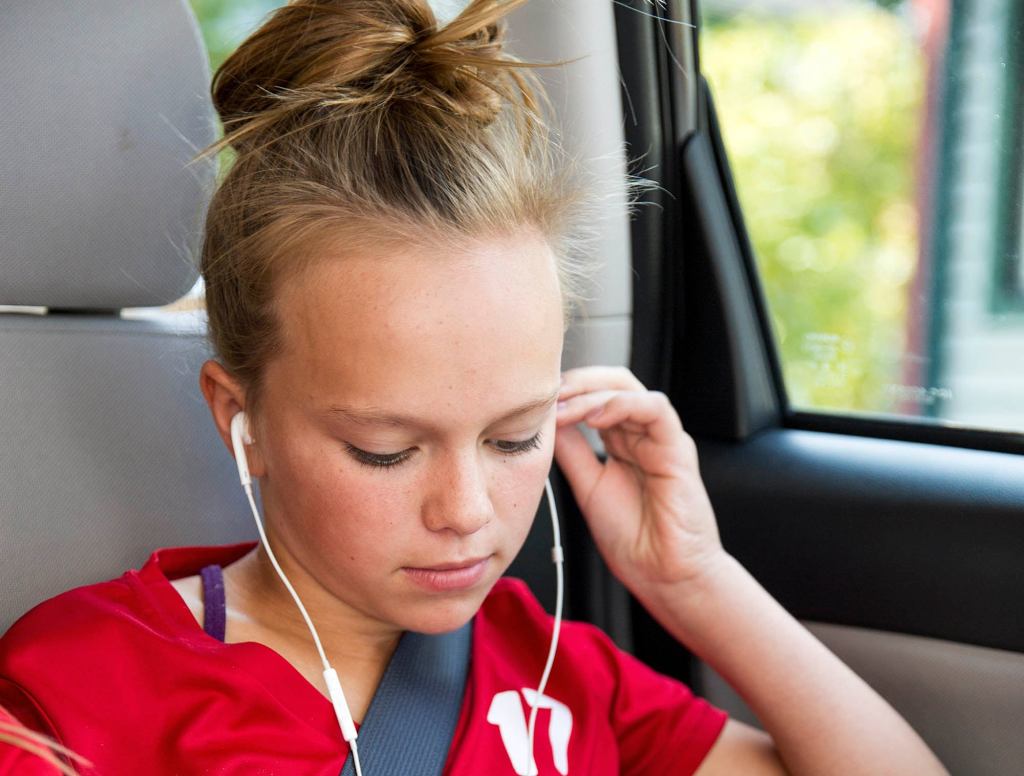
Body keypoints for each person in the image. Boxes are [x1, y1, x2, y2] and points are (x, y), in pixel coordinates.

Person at [0, 1, 948, 774]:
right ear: (237, 416)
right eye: (385, 450)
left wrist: (693, 581)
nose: (467, 513)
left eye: (514, 437)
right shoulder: (88, 687)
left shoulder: (557, 679)